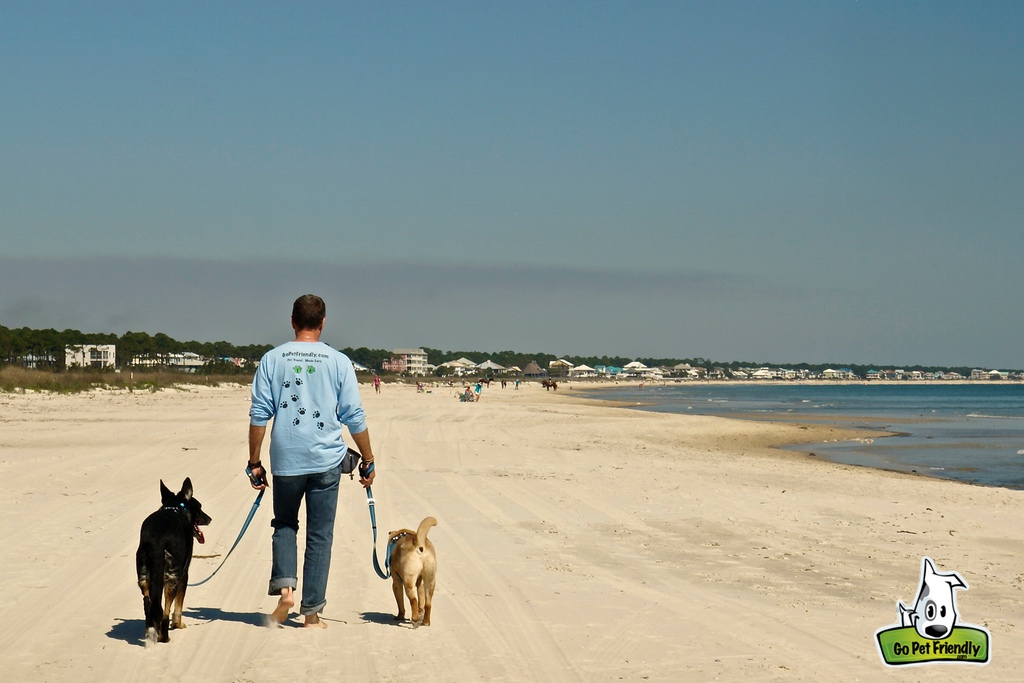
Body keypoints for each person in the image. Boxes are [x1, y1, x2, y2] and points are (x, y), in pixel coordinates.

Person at [247, 294, 376, 629]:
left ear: (292, 321)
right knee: (320, 535)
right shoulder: (339, 362)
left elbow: (260, 414)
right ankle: (311, 614)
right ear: (322, 323)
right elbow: (354, 416)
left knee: (285, 524)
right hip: (326, 461)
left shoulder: (273, 359)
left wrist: (254, 462)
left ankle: (286, 590)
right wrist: (369, 458)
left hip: (286, 460)